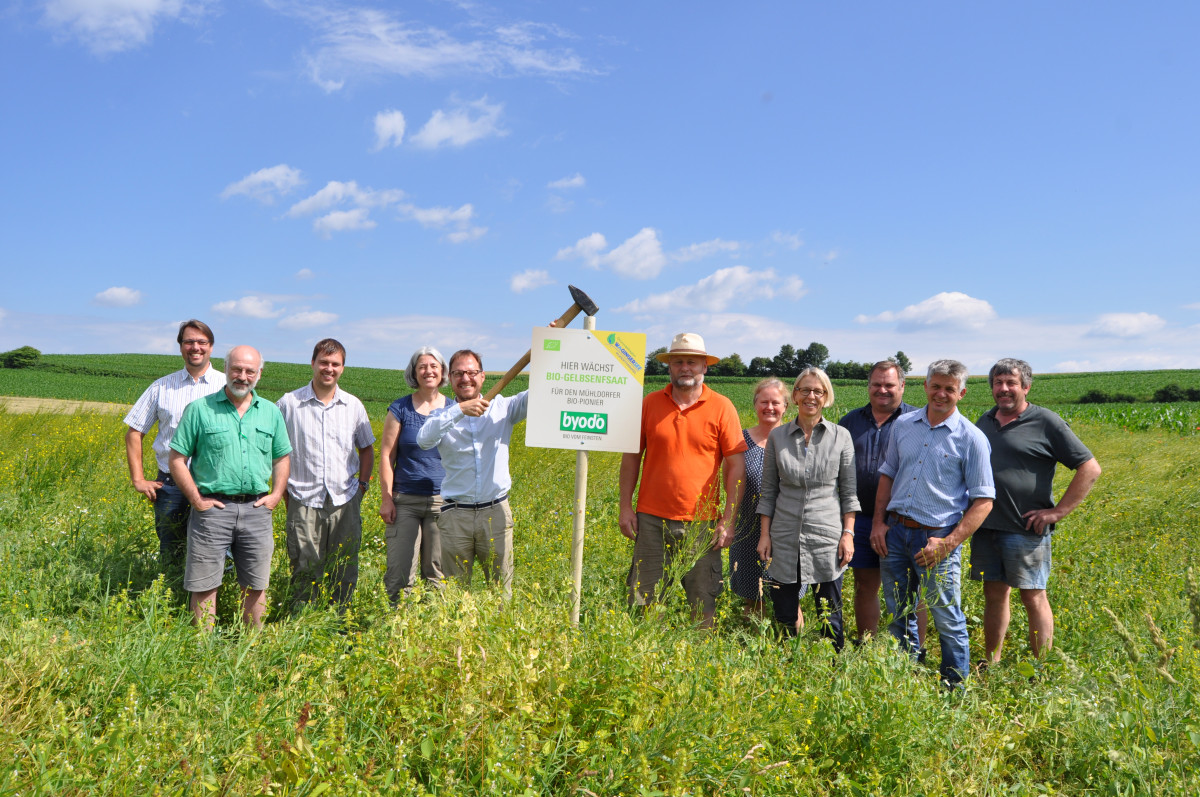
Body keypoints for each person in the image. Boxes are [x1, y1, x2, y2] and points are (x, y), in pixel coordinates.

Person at [871, 359, 995, 686]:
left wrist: (949, 543)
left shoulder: (972, 438)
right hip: (895, 534)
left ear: (962, 393)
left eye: (949, 389)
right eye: (936, 386)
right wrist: (878, 524)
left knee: (946, 618)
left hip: (936, 540)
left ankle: (954, 690)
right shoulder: (903, 426)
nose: (941, 394)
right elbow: (888, 474)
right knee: (899, 614)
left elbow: (983, 501)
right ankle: (904, 678)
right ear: (925, 386)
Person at [973, 358, 1101, 663]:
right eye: (998, 383)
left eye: (1011, 383)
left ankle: (1042, 669)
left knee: (1032, 596)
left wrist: (1057, 512)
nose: (1003, 389)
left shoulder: (1046, 422)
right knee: (993, 595)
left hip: (1025, 529)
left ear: (1025, 387)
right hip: (987, 526)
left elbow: (1090, 468)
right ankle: (991, 662)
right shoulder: (984, 422)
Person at [619, 332, 747, 629]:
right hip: (650, 520)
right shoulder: (649, 403)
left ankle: (699, 658)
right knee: (645, 599)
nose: (685, 367)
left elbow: (736, 465)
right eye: (678, 362)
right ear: (669, 367)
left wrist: (728, 519)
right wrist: (626, 507)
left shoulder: (722, 407)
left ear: (705, 366)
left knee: (703, 601)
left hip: (702, 523)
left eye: (692, 362)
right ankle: (649, 658)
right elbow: (631, 458)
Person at [169, 345, 291, 629]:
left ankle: (252, 647)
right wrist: (197, 500)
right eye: (237, 369)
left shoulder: (270, 413)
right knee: (204, 584)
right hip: (212, 511)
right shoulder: (200, 409)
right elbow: (176, 458)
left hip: (257, 510)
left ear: (259, 374)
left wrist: (275, 495)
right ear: (226, 370)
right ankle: (204, 650)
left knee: (256, 584)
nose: (242, 376)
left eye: (250, 371)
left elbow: (282, 457)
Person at [757, 368, 859, 650]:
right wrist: (765, 535)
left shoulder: (841, 437)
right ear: (795, 395)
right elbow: (769, 491)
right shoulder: (778, 438)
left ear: (826, 397)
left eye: (818, 391)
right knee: (785, 613)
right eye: (805, 390)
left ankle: (833, 670)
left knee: (829, 615)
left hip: (826, 537)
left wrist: (847, 534)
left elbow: (849, 493)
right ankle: (791, 666)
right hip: (784, 536)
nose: (811, 396)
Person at [123, 319, 227, 585]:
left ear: (211, 347)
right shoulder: (162, 387)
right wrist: (138, 479)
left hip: (215, 485)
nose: (195, 347)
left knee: (219, 553)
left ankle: (213, 605)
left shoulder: (228, 386)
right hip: (170, 486)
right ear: (180, 346)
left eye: (201, 342)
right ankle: (171, 603)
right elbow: (135, 431)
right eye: (189, 341)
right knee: (171, 551)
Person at [415, 348, 525, 597]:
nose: (466, 378)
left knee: (501, 594)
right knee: (455, 595)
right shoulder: (441, 416)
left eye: (471, 372)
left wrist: (547, 345)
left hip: (495, 514)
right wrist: (459, 410)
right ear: (450, 379)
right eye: (458, 373)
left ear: (483, 376)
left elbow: (538, 394)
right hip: (456, 516)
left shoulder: (504, 408)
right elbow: (424, 440)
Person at [276, 339, 375, 612]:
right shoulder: (288, 403)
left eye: (335, 364)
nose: (328, 369)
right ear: (313, 363)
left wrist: (362, 487)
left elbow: (367, 449)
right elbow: (273, 450)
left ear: (342, 368)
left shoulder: (353, 405)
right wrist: (281, 490)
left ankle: (339, 622)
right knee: (305, 566)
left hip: (344, 498)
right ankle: (303, 623)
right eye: (324, 362)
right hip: (303, 497)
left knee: (344, 567)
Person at [837, 360, 925, 644]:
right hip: (858, 519)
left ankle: (913, 652)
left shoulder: (917, 421)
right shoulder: (850, 421)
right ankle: (866, 646)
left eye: (889, 385)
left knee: (911, 589)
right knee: (865, 586)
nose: (882, 390)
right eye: (876, 384)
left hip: (902, 520)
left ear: (902, 386)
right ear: (869, 386)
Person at [379, 346, 449, 604]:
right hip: (405, 502)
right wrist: (387, 499)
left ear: (442, 372)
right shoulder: (400, 409)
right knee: (399, 574)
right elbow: (387, 455)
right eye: (422, 366)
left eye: (434, 366)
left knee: (438, 574)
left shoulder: (454, 409)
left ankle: (433, 631)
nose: (428, 371)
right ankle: (396, 629)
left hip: (442, 503)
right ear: (414, 372)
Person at [729, 378, 788, 616]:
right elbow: (729, 485)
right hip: (748, 529)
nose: (770, 407)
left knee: (789, 598)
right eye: (764, 402)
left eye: (776, 402)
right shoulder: (740, 441)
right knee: (753, 598)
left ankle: (789, 647)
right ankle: (755, 649)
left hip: (788, 530)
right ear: (755, 404)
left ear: (785, 406)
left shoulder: (796, 439)